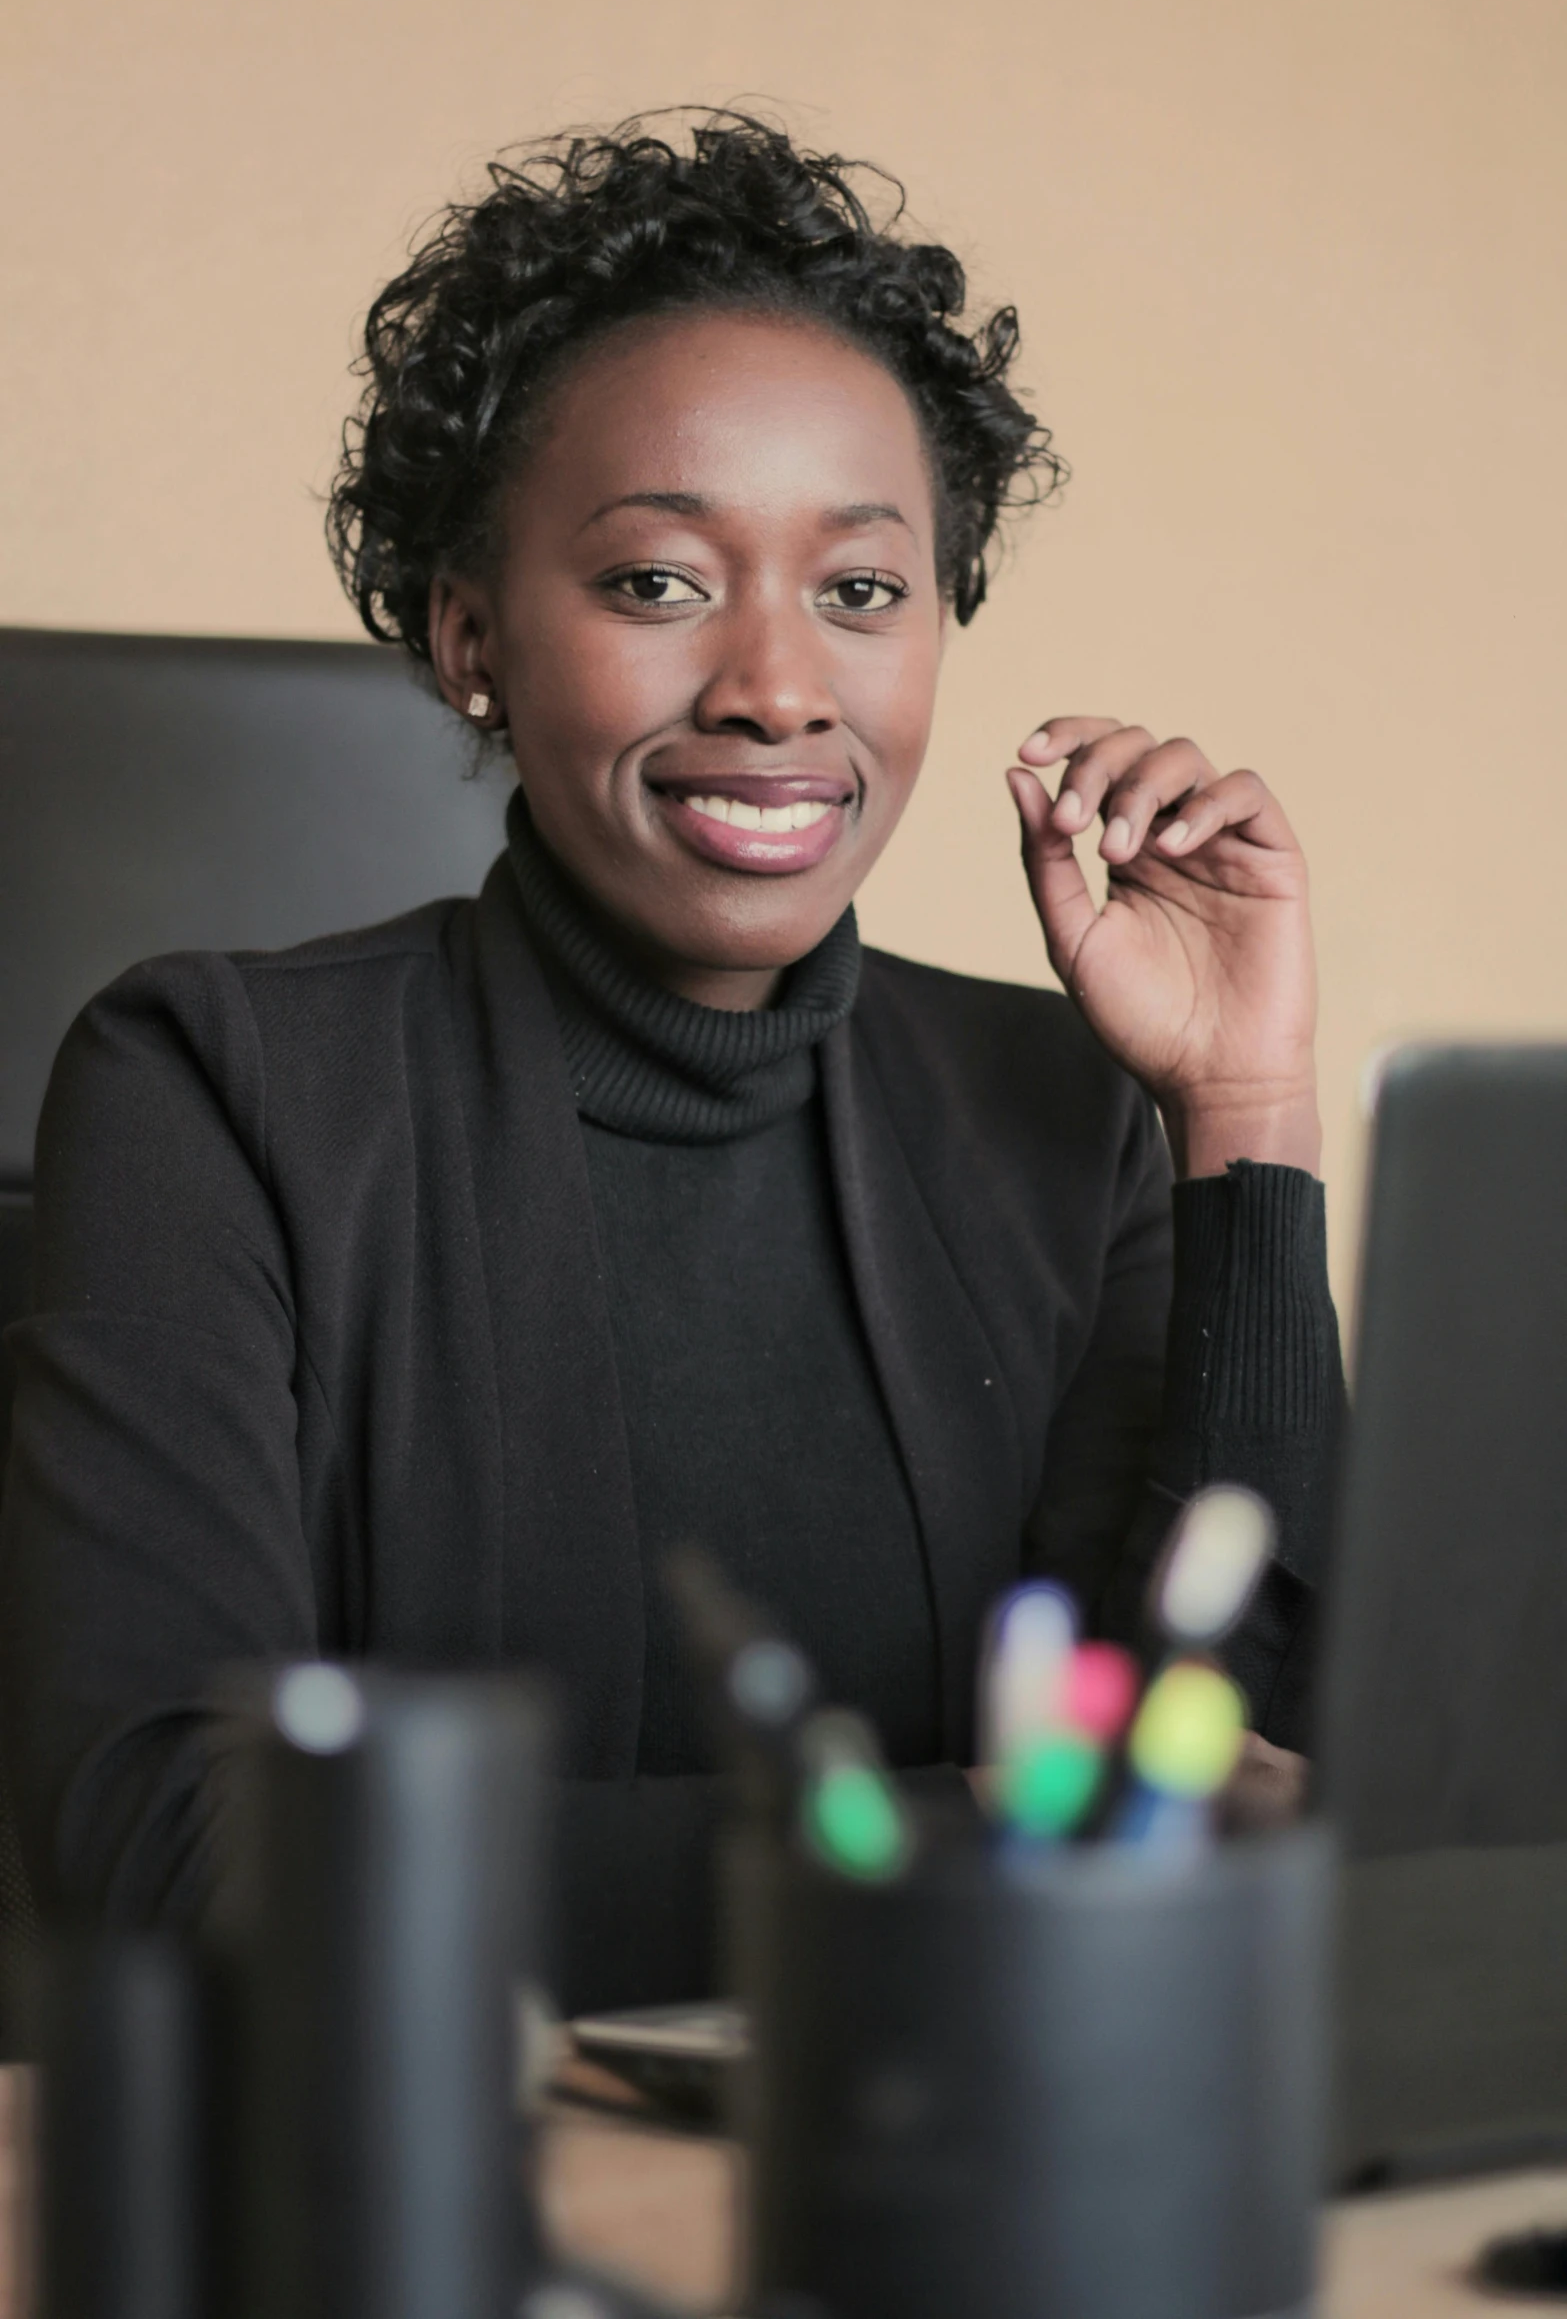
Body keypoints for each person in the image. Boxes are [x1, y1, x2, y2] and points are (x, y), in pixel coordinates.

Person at [0, 113, 1339, 2011]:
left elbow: (1252, 1794)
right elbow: (170, 1849)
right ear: (473, 638)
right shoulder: (210, 1085)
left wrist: (1242, 1117)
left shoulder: (1064, 1113)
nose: (778, 686)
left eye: (861, 591)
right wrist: (978, 1840)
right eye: (656, 583)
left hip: (952, 2196)